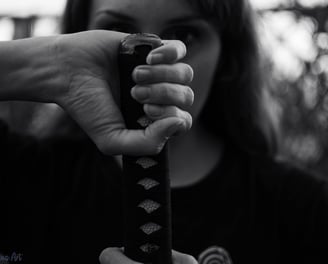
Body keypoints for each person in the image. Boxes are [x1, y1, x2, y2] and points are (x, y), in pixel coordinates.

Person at [0, 0, 327, 264]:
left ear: (228, 55)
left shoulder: (304, 212)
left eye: (185, 35)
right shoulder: (21, 176)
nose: (149, 63)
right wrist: (49, 64)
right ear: (78, 34)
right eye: (118, 32)